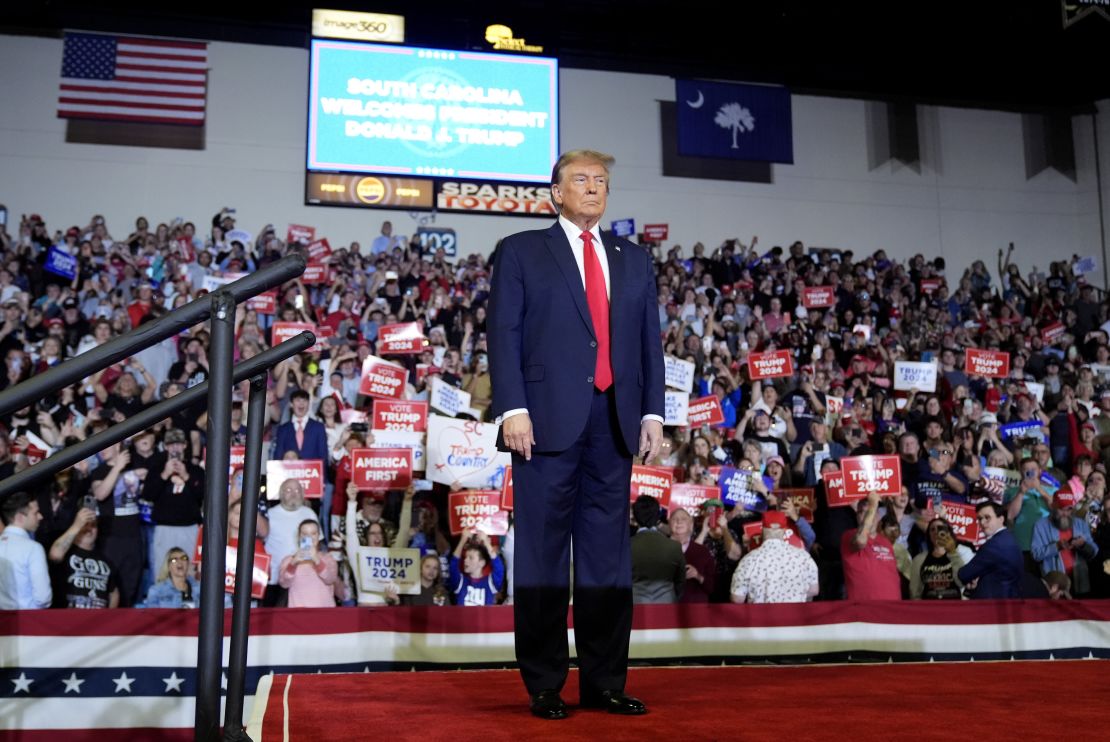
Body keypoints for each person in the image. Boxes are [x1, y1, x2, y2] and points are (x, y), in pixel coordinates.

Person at [489, 149, 664, 719]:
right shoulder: (521, 251)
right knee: (541, 557)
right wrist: (511, 407)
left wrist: (652, 414)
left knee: (606, 562)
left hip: (614, 424)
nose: (594, 188)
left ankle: (603, 681)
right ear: (555, 194)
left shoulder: (634, 260)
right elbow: (504, 333)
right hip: (542, 424)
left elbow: (648, 345)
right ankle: (543, 683)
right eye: (582, 180)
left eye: (603, 181)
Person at [729, 510, 819, 604]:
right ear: (785, 530)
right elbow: (814, 591)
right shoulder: (803, 557)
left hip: (761, 617)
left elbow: (737, 599)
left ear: (762, 530)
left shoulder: (749, 560)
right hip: (794, 616)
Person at [1030, 490, 1099, 597]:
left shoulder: (1080, 524)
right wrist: (1056, 546)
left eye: (1069, 509)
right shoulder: (1040, 525)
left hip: (1080, 582)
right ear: (1053, 506)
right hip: (1055, 586)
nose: (1065, 513)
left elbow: (1094, 552)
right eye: (1061, 509)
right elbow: (1036, 555)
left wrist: (1082, 545)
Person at [48, 507, 119, 608]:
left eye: (93, 525)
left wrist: (110, 618)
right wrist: (77, 525)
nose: (89, 529)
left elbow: (113, 592)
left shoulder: (105, 561)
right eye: (85, 524)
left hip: (98, 620)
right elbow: (55, 554)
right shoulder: (66, 553)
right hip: (70, 619)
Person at [262, 478, 318, 607]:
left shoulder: (309, 514)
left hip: (302, 579)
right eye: (288, 490)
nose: (293, 493)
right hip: (274, 579)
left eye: (297, 490)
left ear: (303, 494)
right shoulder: (269, 514)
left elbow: (318, 545)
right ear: (280, 493)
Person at [841, 491, 902, 600]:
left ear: (878, 516)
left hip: (892, 604)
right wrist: (873, 505)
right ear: (857, 517)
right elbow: (860, 541)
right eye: (863, 512)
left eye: (872, 512)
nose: (868, 515)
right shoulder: (849, 535)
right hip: (863, 606)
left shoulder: (886, 542)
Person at [958, 501, 1024, 599]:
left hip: (993, 604)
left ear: (1001, 519)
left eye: (987, 518)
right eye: (980, 519)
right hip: (1007, 600)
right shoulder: (1009, 538)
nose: (982, 522)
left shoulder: (995, 545)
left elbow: (964, 574)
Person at [629, 495, 685, 604]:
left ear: (635, 517)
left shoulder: (627, 546)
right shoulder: (674, 547)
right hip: (666, 606)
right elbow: (680, 582)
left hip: (636, 605)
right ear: (658, 516)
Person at [0, 492, 51, 609]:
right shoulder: (33, 548)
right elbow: (43, 598)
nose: (40, 517)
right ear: (20, 517)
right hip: (27, 621)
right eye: (35, 513)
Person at [278, 519, 338, 607]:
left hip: (324, 612)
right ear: (299, 537)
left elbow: (330, 579)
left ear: (319, 536)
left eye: (313, 533)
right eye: (305, 534)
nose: (309, 538)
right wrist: (293, 564)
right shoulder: (288, 560)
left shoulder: (328, 558)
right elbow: (284, 584)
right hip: (298, 613)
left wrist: (317, 561)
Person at [909, 518, 966, 600]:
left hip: (954, 608)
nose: (936, 532)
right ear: (929, 535)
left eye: (940, 528)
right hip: (929, 609)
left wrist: (952, 553)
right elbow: (914, 592)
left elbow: (961, 583)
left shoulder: (959, 554)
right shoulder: (919, 559)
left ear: (948, 532)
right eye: (932, 529)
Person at [448, 528, 504, 606]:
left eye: (471, 557)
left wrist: (487, 543)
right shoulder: (460, 582)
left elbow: (499, 567)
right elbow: (453, 565)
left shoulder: (490, 583)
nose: (465, 560)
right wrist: (462, 540)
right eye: (465, 557)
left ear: (482, 563)